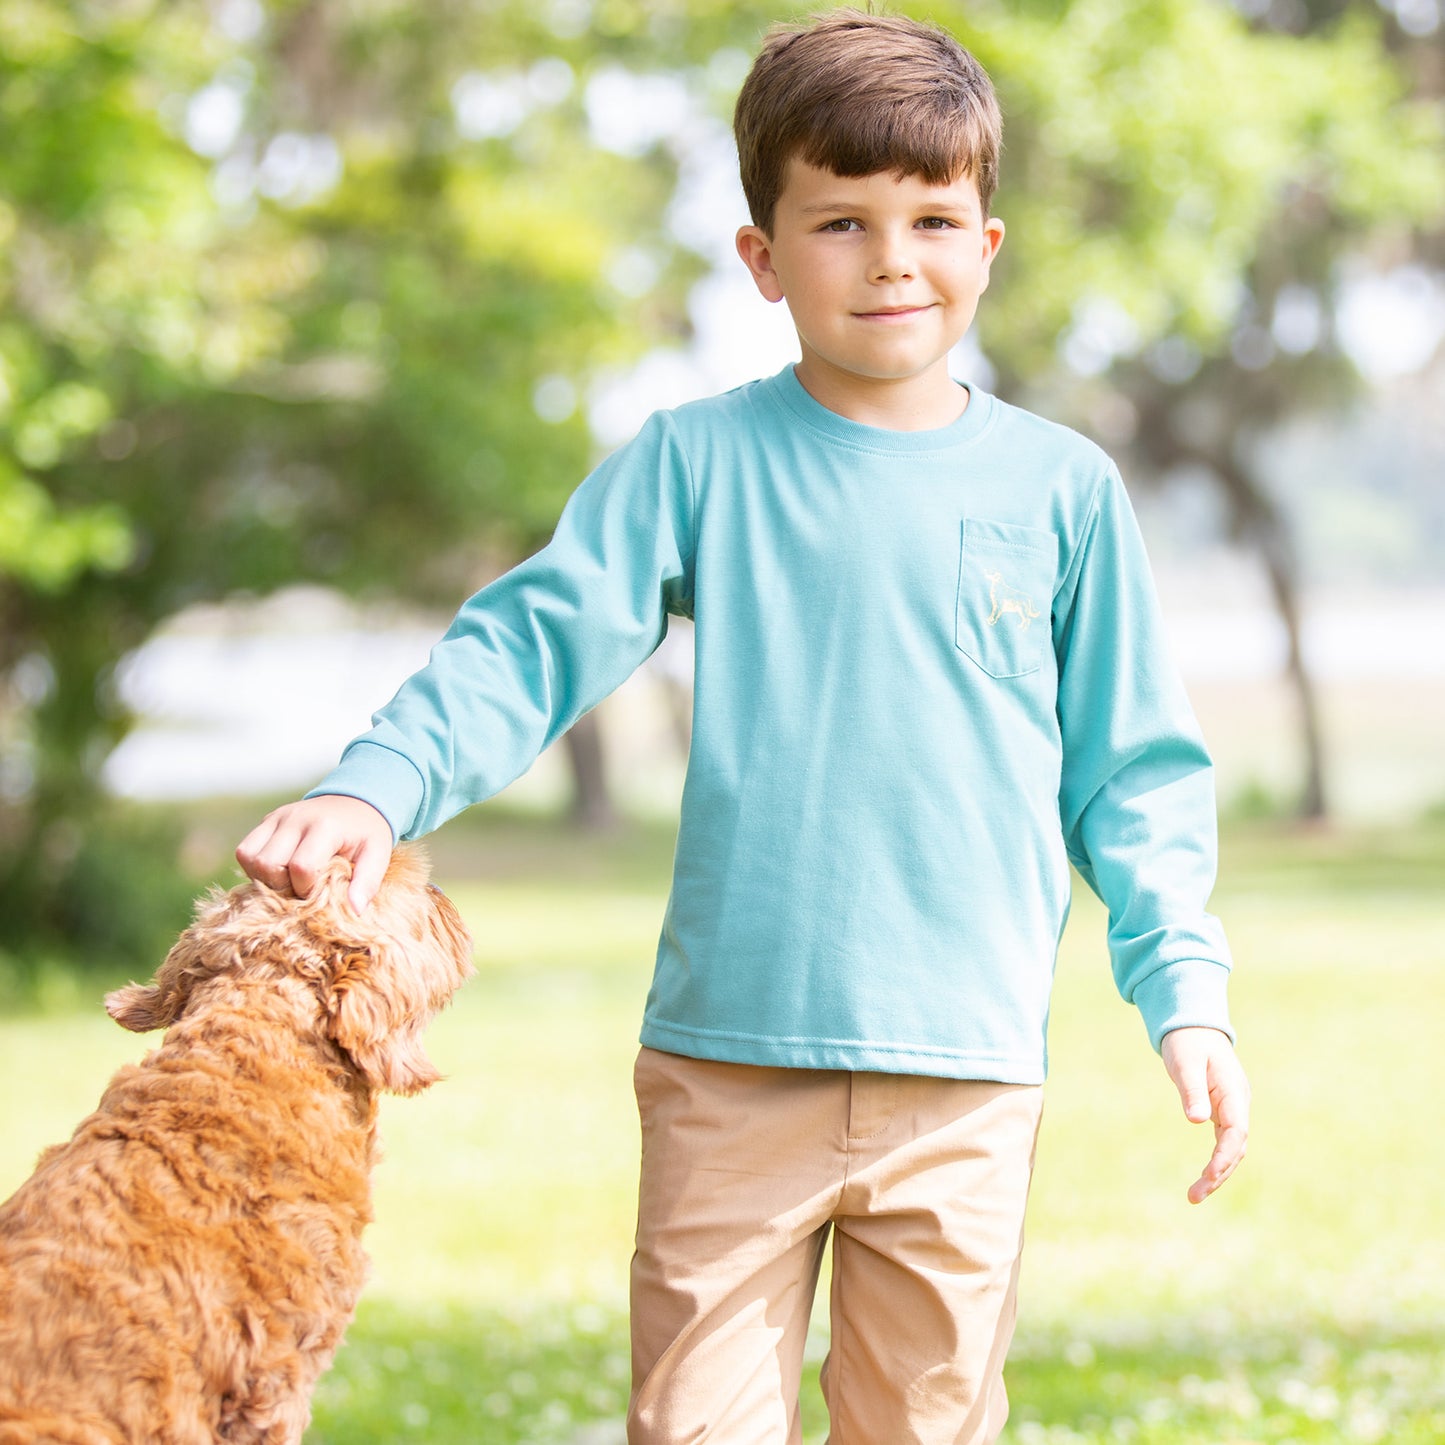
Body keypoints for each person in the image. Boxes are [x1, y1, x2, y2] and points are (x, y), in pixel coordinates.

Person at [237, 9, 1250, 1442]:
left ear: (986, 244)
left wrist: (1185, 989)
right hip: (727, 1065)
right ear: (762, 260)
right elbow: (535, 640)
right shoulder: (694, 462)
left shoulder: (1061, 488)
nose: (891, 258)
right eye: (840, 221)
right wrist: (378, 784)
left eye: (929, 217)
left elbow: (1132, 772)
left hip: (963, 1078)